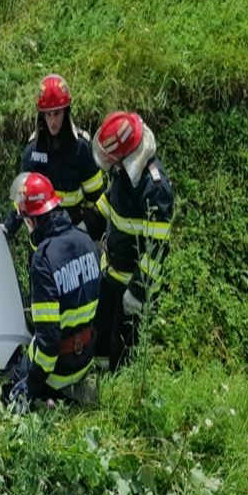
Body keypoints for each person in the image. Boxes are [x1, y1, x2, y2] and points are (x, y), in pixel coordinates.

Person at [4, 172, 101, 408]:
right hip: (86, 356)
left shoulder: (43, 260)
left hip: (59, 369)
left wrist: (32, 384)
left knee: (10, 382)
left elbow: (48, 343)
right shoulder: (86, 240)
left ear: (32, 220)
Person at [91, 111, 174, 372]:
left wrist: (137, 292)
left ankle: (118, 395)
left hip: (133, 285)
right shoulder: (125, 170)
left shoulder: (154, 186)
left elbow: (158, 249)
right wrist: (84, 224)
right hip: (112, 271)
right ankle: (99, 382)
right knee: (101, 332)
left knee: (122, 345)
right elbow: (111, 201)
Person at [2, 74, 107, 241]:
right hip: (41, 240)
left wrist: (85, 233)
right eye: (48, 114)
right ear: (41, 115)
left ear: (66, 111)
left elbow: (99, 201)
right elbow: (22, 199)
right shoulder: (33, 150)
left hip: (72, 235)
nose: (52, 122)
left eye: (57, 114)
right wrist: (8, 228)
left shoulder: (81, 149)